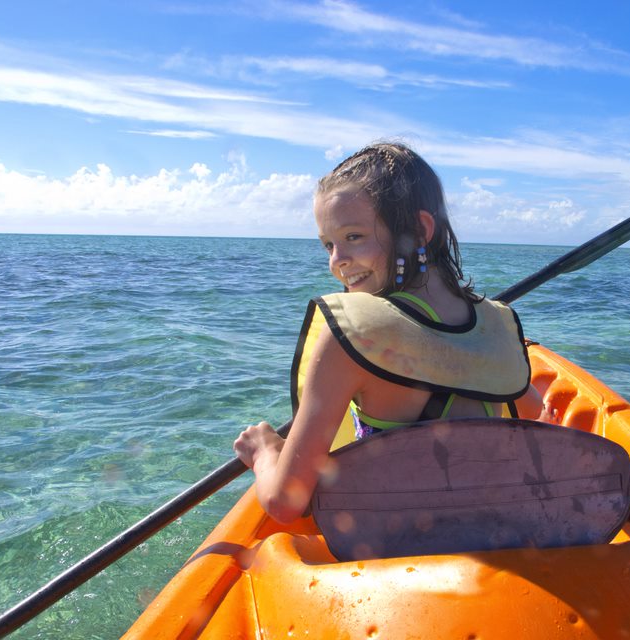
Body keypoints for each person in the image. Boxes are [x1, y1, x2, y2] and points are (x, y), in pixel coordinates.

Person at [234, 142, 551, 524]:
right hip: (496, 533)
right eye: (328, 245)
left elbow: (287, 501)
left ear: (418, 231)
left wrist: (264, 452)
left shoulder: (350, 338)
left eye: (353, 237)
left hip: (393, 555)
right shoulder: (495, 327)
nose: (337, 262)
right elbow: (535, 414)